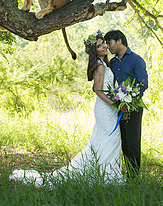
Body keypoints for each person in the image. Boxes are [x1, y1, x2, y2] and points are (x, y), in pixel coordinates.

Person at [9, 30, 123, 186]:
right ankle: (106, 175)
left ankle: (107, 171)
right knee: (109, 138)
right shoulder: (100, 66)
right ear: (93, 51)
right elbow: (97, 90)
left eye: (103, 43)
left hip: (109, 108)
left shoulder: (104, 64)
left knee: (107, 140)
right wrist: (114, 103)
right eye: (99, 45)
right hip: (105, 109)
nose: (103, 47)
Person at [104, 30, 148, 179]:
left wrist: (129, 98)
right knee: (122, 141)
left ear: (119, 41)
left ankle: (134, 176)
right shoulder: (114, 62)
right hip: (119, 106)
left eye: (109, 43)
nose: (108, 47)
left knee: (132, 142)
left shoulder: (136, 60)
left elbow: (143, 84)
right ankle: (126, 172)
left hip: (134, 106)